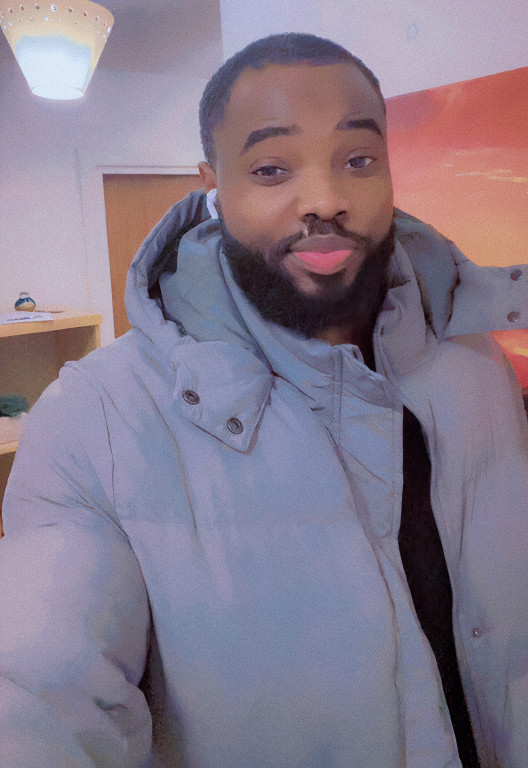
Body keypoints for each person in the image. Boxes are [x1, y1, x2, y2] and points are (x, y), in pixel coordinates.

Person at [1, 32, 527, 768]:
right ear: (213, 188)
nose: (326, 200)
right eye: (272, 168)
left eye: (358, 160)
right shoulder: (98, 418)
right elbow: (38, 700)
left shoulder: (474, 362)